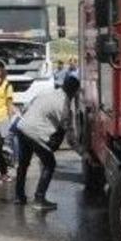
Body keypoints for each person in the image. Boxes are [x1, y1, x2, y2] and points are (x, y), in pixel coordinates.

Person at [13, 76, 80, 210]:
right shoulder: (65, 107)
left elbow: (26, 106)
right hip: (36, 134)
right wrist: (82, 152)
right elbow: (70, 136)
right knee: (50, 163)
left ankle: (19, 197)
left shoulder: (46, 92)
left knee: (23, 164)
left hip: (22, 127)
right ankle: (39, 198)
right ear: (74, 92)